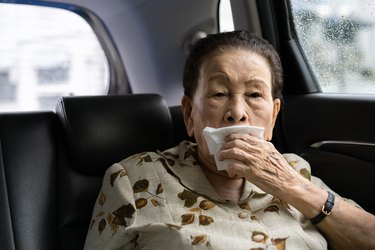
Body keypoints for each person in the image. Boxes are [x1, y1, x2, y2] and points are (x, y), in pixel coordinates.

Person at [84, 31, 375, 249]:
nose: (237, 113)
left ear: (273, 117)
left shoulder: (296, 171)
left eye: (254, 95)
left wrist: (292, 186)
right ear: (189, 113)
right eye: (219, 94)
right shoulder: (134, 178)